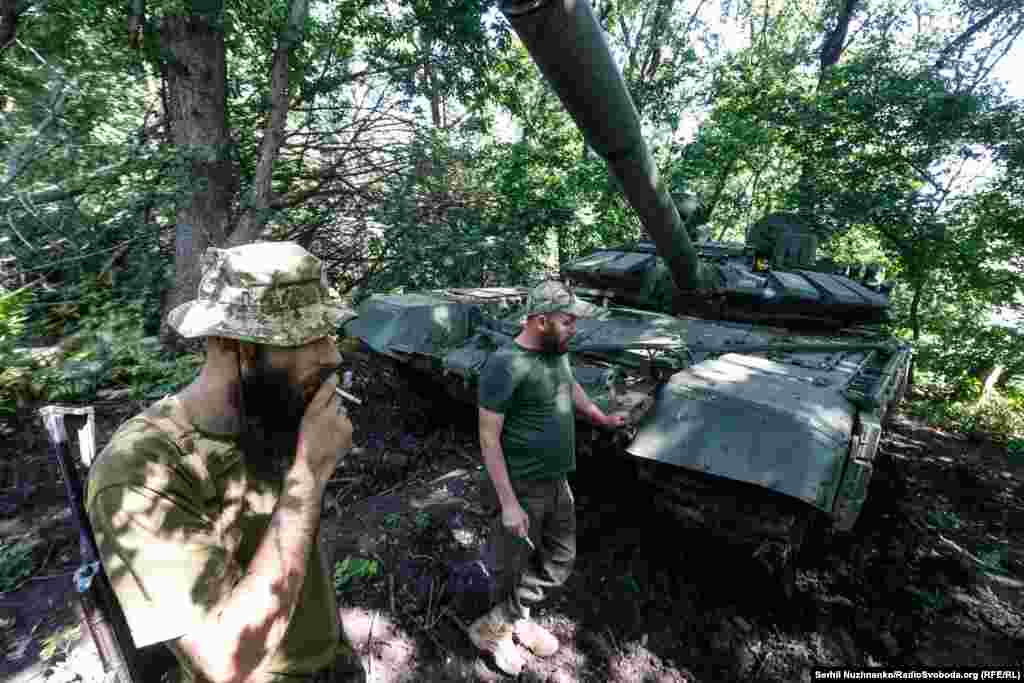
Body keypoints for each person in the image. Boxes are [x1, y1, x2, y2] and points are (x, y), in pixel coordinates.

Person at [85, 242, 366, 683]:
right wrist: (308, 477)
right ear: (239, 347)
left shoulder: (273, 415)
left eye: (327, 333)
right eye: (308, 338)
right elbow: (225, 664)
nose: (332, 355)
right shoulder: (141, 470)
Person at [468, 280, 625, 676]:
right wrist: (508, 503)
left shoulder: (556, 350)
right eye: (567, 321)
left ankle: (506, 618)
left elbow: (568, 385)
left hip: (556, 479)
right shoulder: (505, 365)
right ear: (540, 321)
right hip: (521, 484)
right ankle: (498, 632)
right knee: (512, 564)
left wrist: (601, 417)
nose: (574, 328)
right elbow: (488, 438)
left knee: (559, 558)